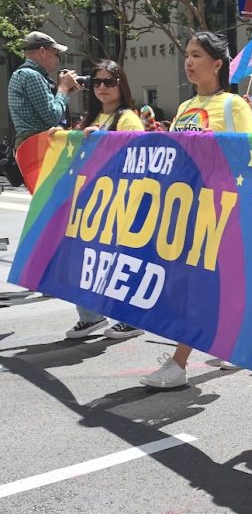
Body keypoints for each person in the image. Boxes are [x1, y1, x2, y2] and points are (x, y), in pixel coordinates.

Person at [140, 31, 252, 389]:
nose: (188, 62)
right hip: (186, 211)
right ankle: (233, 340)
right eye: (187, 55)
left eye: (197, 55)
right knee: (204, 287)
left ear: (218, 64)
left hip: (221, 213)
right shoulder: (185, 108)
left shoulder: (232, 106)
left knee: (197, 288)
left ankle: (178, 364)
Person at [62, 60, 146, 340]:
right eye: (97, 82)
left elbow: (137, 158)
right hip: (93, 202)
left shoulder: (128, 119)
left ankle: (131, 318)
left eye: (109, 82)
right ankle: (91, 316)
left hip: (121, 201)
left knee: (120, 262)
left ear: (121, 84)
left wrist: (102, 140)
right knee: (86, 260)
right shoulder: (91, 118)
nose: (102, 87)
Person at [8, 31, 80, 151]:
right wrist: (63, 88)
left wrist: (65, 92)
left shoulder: (24, 74)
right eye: (57, 54)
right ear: (42, 52)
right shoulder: (31, 76)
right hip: (37, 145)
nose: (58, 60)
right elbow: (52, 116)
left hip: (31, 143)